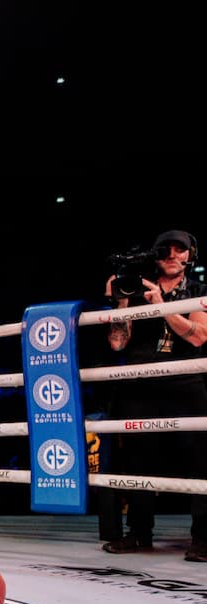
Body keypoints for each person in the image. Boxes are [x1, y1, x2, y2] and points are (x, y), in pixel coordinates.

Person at [103, 229, 207, 561]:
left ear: (190, 256)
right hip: (140, 384)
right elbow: (117, 343)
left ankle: (203, 539)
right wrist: (120, 302)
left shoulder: (200, 291)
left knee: (200, 463)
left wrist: (162, 308)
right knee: (138, 461)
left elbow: (198, 337)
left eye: (180, 250)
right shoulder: (135, 289)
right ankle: (139, 534)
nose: (173, 255)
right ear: (155, 255)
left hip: (185, 385)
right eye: (166, 250)